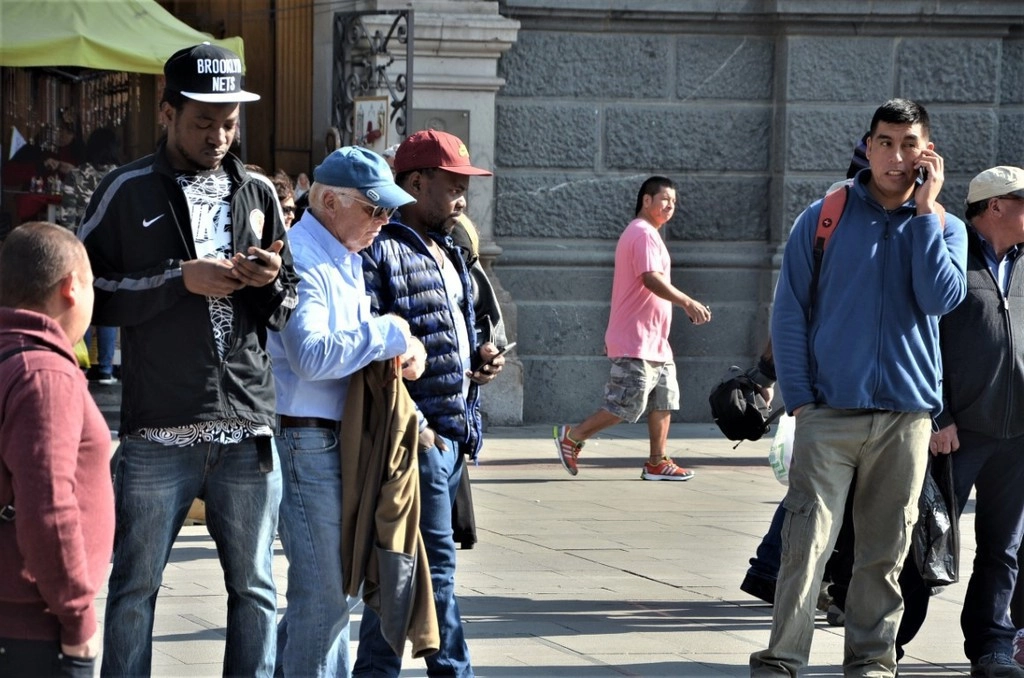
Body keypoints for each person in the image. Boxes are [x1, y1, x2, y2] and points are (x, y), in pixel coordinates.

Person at [77, 42, 298, 676]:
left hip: (248, 426)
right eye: (204, 122)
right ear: (167, 111)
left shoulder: (257, 190)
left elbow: (288, 303)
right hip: (159, 430)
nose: (218, 137)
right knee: (134, 588)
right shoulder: (124, 190)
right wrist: (179, 280)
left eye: (229, 123)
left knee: (256, 590)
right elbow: (84, 290)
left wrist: (269, 281)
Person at [749, 98, 968, 676]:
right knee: (806, 544)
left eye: (908, 144)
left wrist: (925, 212)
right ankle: (782, 659)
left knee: (885, 552)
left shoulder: (946, 227)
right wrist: (801, 399)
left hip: (906, 416)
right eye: (885, 143)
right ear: (868, 146)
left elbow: (941, 298)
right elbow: (789, 312)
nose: (896, 157)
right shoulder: (824, 216)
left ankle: (871, 661)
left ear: (927, 152)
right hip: (829, 412)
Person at [268, 146, 425, 677]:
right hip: (304, 439)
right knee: (327, 593)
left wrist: (397, 349)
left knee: (331, 591)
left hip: (330, 438)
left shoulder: (340, 254)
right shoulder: (304, 255)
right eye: (375, 209)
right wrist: (390, 332)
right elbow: (311, 355)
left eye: (389, 210)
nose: (384, 220)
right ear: (330, 202)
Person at [355, 129, 503, 677]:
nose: (462, 199)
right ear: (416, 183)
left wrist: (480, 360)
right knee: (435, 571)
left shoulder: (450, 249)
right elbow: (372, 349)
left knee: (401, 573)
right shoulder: (382, 248)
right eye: (453, 186)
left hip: (451, 436)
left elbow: (455, 333)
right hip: (415, 439)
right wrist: (419, 427)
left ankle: (373, 673)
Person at [893, 166, 1024, 677]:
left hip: (1017, 434)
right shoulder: (951, 251)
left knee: (1004, 548)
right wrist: (938, 414)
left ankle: (992, 646)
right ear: (996, 206)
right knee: (925, 540)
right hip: (956, 432)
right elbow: (919, 338)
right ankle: (888, 642)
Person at [0, 222, 114, 677]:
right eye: (91, 286)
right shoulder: (43, 375)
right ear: (71, 287)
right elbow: (48, 505)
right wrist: (77, 616)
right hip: (31, 629)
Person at [554, 176, 711, 481]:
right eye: (664, 199)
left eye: (674, 202)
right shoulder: (642, 233)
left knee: (664, 400)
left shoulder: (649, 234)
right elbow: (650, 278)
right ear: (646, 200)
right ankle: (572, 436)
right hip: (636, 340)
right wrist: (687, 302)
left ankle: (657, 462)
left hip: (655, 341)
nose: (670, 206)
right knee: (625, 404)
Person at [58, 126, 121, 384]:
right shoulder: (121, 176)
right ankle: (105, 369)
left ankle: (80, 367)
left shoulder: (76, 175)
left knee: (79, 304)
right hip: (112, 253)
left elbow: (66, 216)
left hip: (80, 249)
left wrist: (66, 251)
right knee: (108, 306)